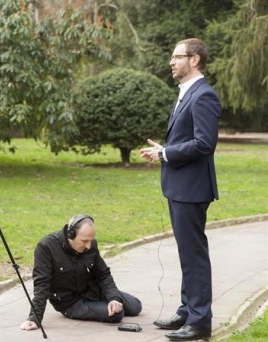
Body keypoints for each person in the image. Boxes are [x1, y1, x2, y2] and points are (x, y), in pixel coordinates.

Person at [140, 38, 220, 341]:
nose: (172, 62)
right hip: (180, 185)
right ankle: (188, 310)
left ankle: (200, 321)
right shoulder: (187, 93)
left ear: (195, 60)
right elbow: (188, 139)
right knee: (187, 253)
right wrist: (165, 149)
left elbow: (204, 144)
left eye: (177, 57)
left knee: (194, 254)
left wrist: (165, 154)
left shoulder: (203, 95)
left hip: (192, 188)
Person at [20, 215, 142, 331]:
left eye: (91, 240)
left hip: (91, 291)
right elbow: (42, 284)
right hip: (70, 302)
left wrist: (114, 298)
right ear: (71, 234)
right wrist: (35, 318)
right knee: (117, 314)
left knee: (135, 306)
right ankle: (100, 306)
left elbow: (102, 274)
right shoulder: (46, 247)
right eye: (84, 241)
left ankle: (104, 303)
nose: (88, 246)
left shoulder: (90, 245)